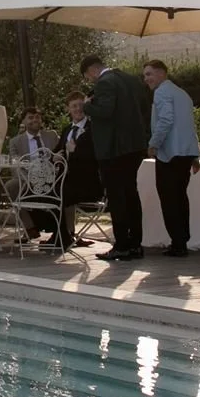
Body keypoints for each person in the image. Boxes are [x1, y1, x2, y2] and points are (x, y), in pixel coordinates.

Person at [82, 54, 151, 261]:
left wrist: (87, 106)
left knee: (117, 196)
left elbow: (105, 111)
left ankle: (121, 244)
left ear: (92, 70)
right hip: (135, 146)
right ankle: (135, 244)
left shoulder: (104, 83)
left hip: (114, 150)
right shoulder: (130, 79)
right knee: (131, 193)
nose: (90, 81)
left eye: (88, 77)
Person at [142, 59, 200, 257]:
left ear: (161, 73)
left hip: (169, 154)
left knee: (169, 198)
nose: (146, 79)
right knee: (181, 197)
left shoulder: (162, 92)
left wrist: (153, 143)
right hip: (185, 153)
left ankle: (177, 243)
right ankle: (182, 239)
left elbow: (166, 120)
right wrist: (195, 155)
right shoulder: (183, 94)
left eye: (149, 74)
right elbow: (189, 126)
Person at [8, 107, 63, 243]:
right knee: (11, 186)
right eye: (30, 117)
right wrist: (30, 180)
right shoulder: (15, 142)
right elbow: (16, 166)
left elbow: (61, 156)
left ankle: (67, 232)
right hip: (28, 179)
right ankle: (30, 228)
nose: (35, 120)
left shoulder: (52, 136)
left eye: (37, 117)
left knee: (67, 182)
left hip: (53, 178)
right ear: (24, 121)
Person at [58, 93, 101, 250]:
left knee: (59, 192)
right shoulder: (67, 130)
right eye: (74, 106)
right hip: (67, 181)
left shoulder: (93, 128)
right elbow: (57, 152)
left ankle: (63, 237)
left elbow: (95, 156)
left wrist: (75, 150)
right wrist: (55, 157)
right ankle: (60, 234)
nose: (78, 109)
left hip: (87, 184)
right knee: (46, 191)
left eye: (80, 105)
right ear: (68, 109)